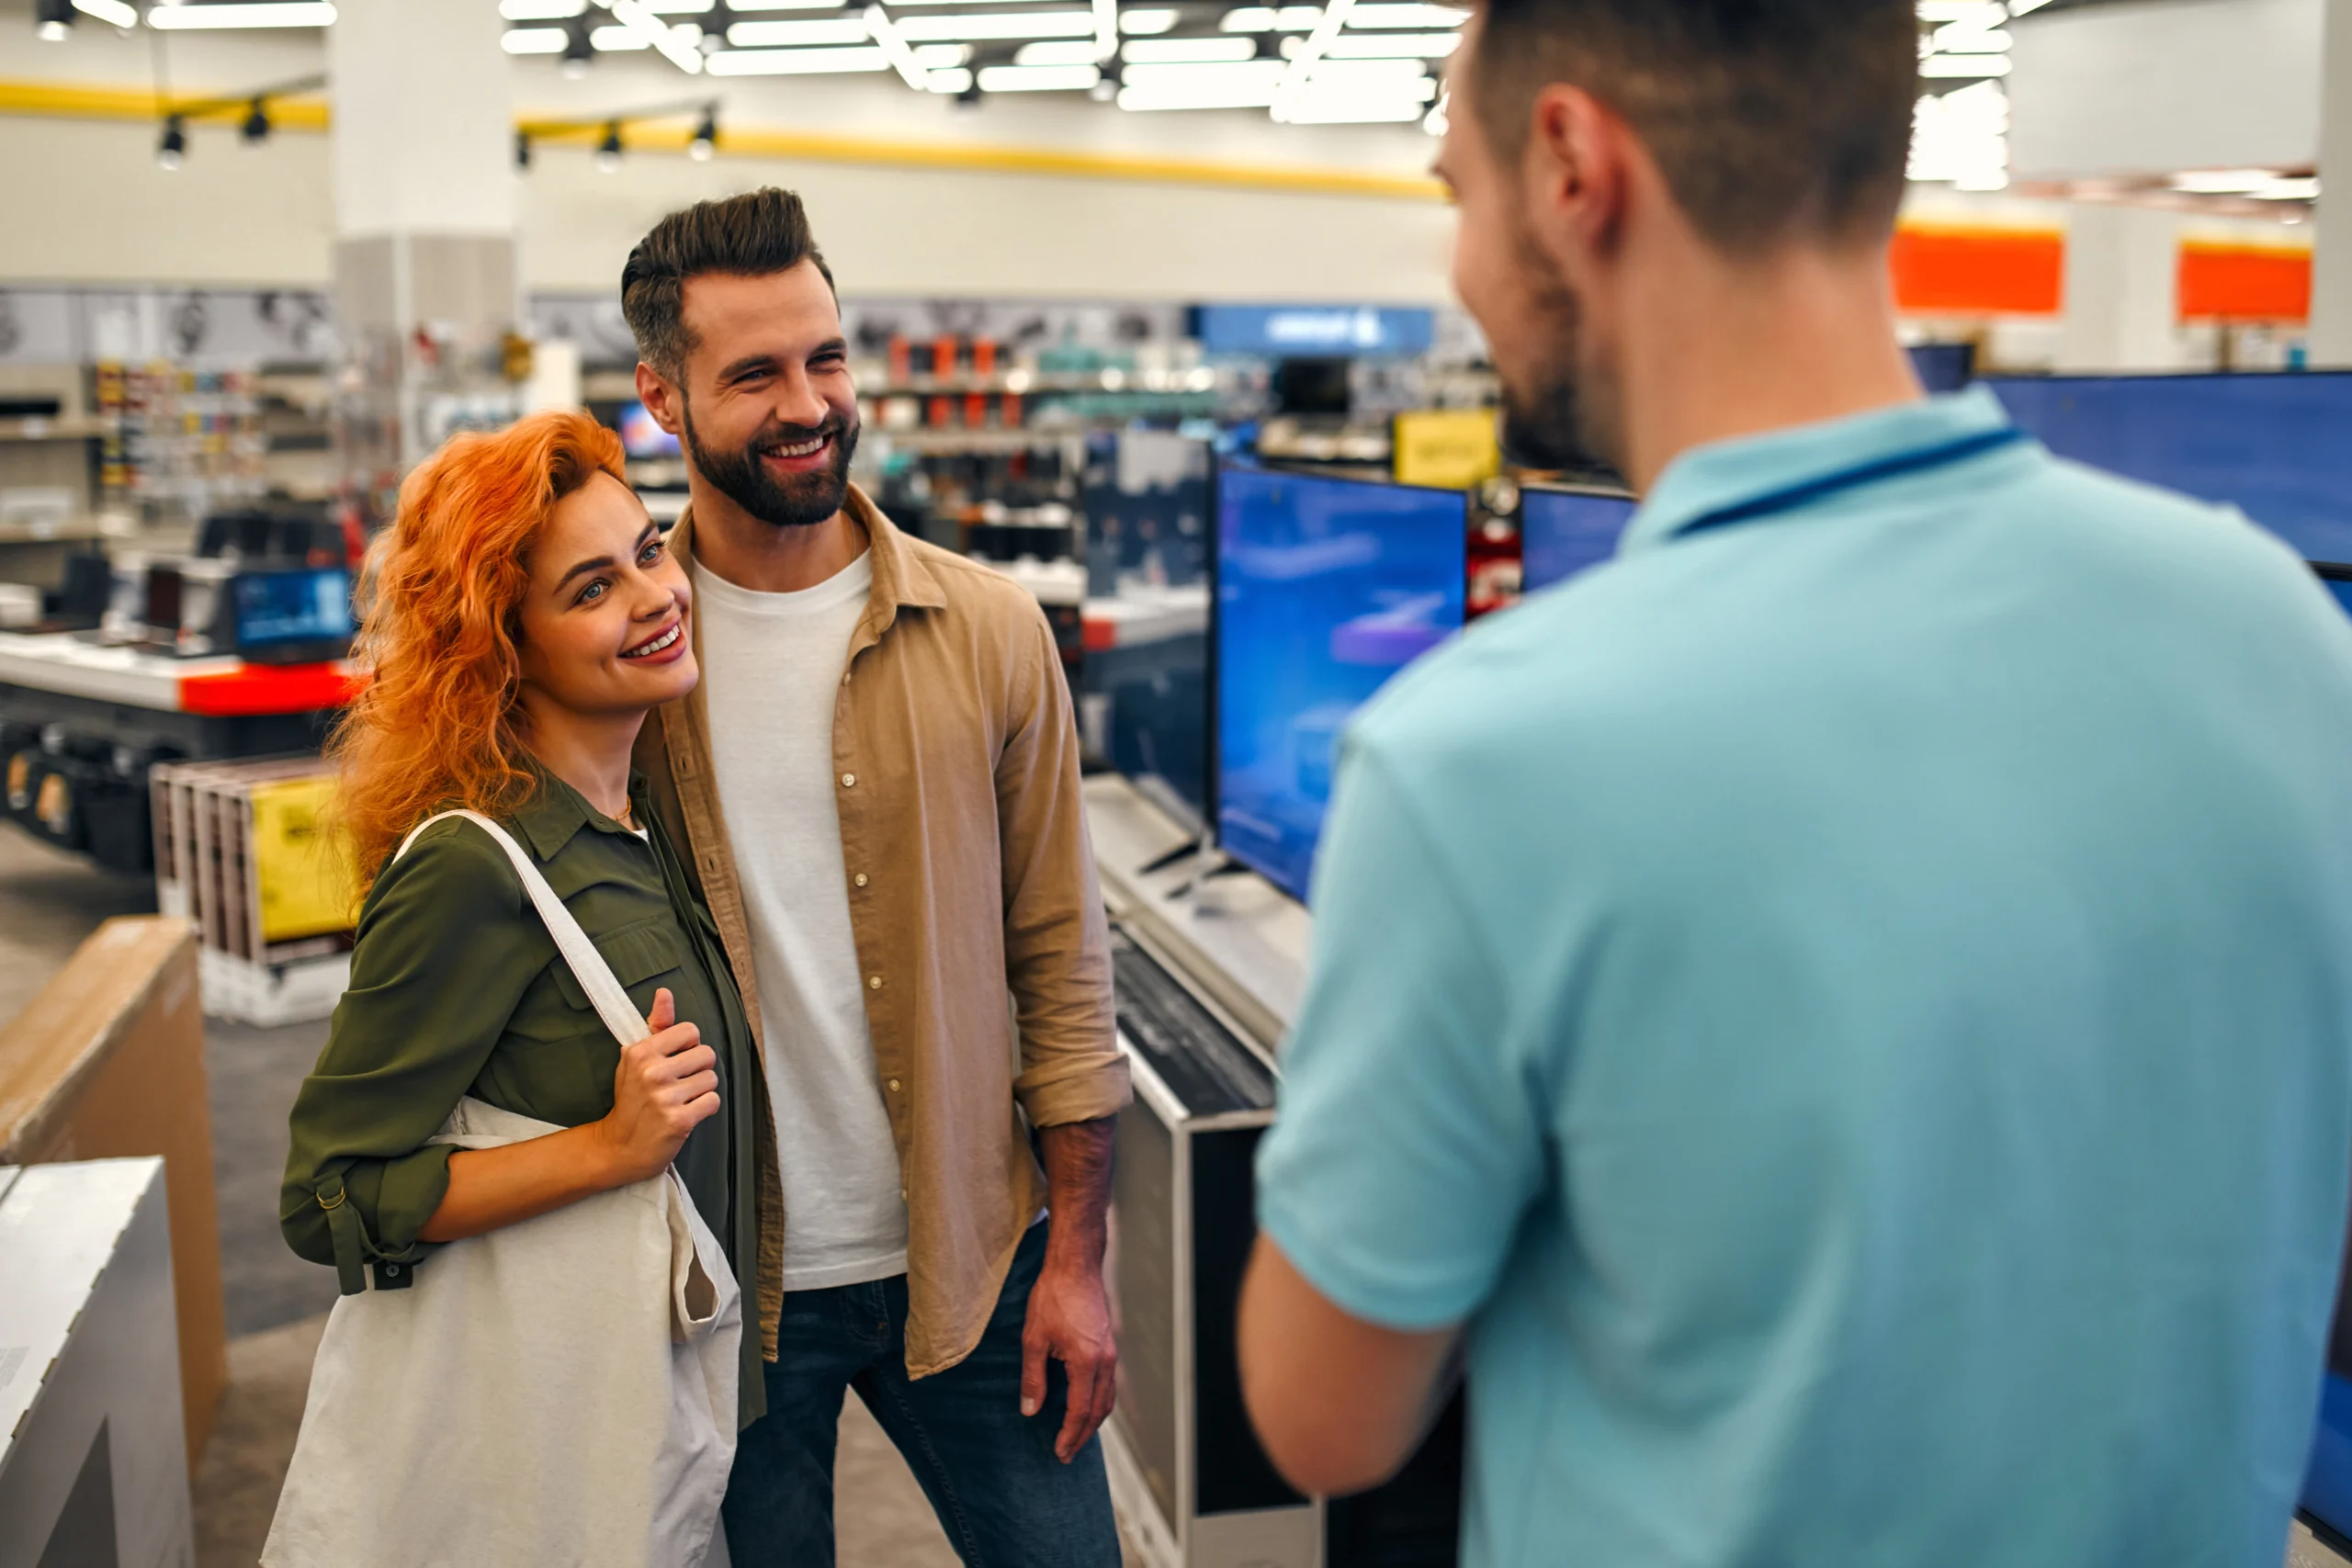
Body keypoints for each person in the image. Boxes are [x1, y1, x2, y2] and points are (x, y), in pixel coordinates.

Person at [1237, 3, 2352, 1564]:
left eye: (1453, 197)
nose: (1464, 273)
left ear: (1571, 166)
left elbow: (1322, 1416)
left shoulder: (1484, 762)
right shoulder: (2282, 639)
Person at [620, 189, 1131, 1567]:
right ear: (663, 398)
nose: (809, 403)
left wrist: (1079, 1262)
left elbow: (1063, 972)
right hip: (727, 1286)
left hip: (974, 1259)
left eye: (826, 357)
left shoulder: (987, 631)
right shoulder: (619, 662)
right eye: (755, 374)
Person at [280, 409, 773, 1434]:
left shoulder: (642, 819)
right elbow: (324, 1197)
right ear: (503, 649)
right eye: (593, 589)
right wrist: (606, 1148)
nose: (656, 597)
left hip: (686, 1395)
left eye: (646, 553)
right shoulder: (473, 865)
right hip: (571, 1417)